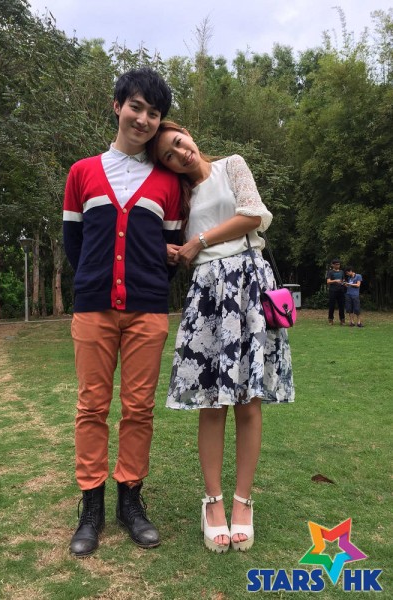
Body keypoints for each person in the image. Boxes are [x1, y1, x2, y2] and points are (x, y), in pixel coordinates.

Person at [147, 121, 294, 554]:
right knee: (212, 403)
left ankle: (243, 501)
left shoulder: (233, 165)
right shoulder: (178, 197)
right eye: (169, 156)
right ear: (166, 167)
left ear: (188, 134)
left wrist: (199, 240)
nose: (180, 154)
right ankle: (213, 503)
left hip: (249, 285)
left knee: (249, 402)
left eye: (179, 143)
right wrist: (172, 250)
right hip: (209, 293)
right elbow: (163, 241)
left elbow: (253, 215)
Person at [62, 69, 182, 557]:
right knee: (91, 406)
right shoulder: (82, 172)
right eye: (136, 106)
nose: (144, 119)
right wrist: (95, 284)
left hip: (147, 311)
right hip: (93, 307)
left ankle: (130, 501)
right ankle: (90, 507)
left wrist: (145, 285)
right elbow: (75, 244)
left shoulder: (169, 183)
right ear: (117, 106)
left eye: (154, 113)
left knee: (138, 409)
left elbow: (171, 249)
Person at [326, 259, 346, 325]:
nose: (338, 266)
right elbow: (328, 281)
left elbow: (343, 280)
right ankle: (330, 319)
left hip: (341, 290)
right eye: (336, 264)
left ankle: (342, 320)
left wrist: (344, 283)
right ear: (333, 265)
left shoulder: (342, 272)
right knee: (332, 305)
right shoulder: (330, 272)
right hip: (333, 291)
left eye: (339, 264)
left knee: (341, 306)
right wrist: (335, 281)